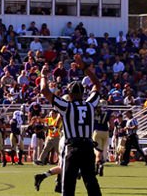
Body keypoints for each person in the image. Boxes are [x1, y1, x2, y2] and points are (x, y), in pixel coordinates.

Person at [38, 53, 103, 196]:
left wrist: (43, 76)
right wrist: (84, 68)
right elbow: (97, 85)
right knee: (91, 184)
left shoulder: (67, 106)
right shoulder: (90, 105)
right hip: (87, 147)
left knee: (68, 186)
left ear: (70, 95)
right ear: (83, 93)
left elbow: (44, 91)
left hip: (72, 148)